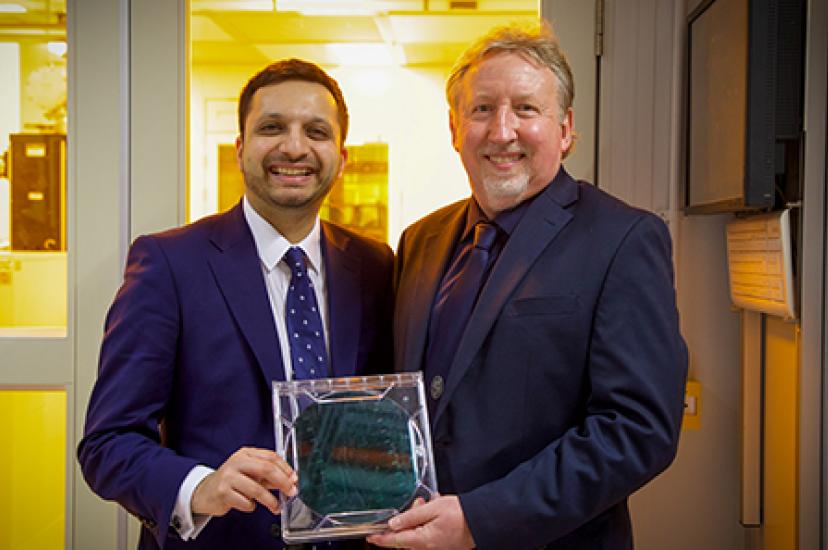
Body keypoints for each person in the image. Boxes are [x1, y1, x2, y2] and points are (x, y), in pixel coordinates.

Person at [369, 22, 688, 550]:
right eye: (482, 109)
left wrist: (480, 519)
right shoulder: (419, 240)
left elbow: (637, 430)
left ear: (565, 129)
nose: (501, 131)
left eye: (526, 109)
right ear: (454, 128)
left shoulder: (623, 238)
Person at [78, 59, 393, 550]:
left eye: (316, 131)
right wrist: (200, 486)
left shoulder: (376, 267)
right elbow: (108, 444)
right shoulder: (169, 263)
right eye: (272, 128)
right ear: (241, 149)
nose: (294, 146)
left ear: (341, 156)